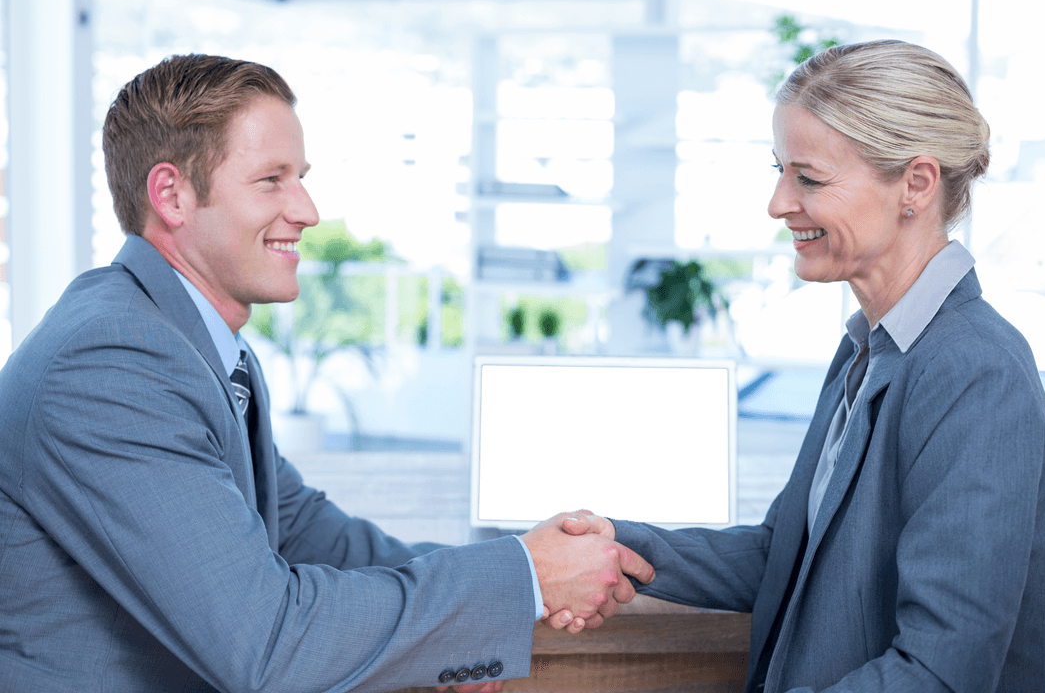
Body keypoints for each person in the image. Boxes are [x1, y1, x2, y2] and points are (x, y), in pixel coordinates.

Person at [0, 54, 654, 693]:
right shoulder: (112, 363)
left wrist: (505, 587)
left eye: (301, 178)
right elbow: (267, 642)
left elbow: (312, 536)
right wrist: (524, 579)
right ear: (171, 194)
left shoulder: (191, 344)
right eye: (271, 180)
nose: (307, 210)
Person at [564, 39, 1045, 692]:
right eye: (781, 171)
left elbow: (941, 673)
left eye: (808, 178)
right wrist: (618, 545)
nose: (778, 203)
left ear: (916, 184)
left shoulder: (975, 373)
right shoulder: (869, 347)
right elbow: (784, 554)